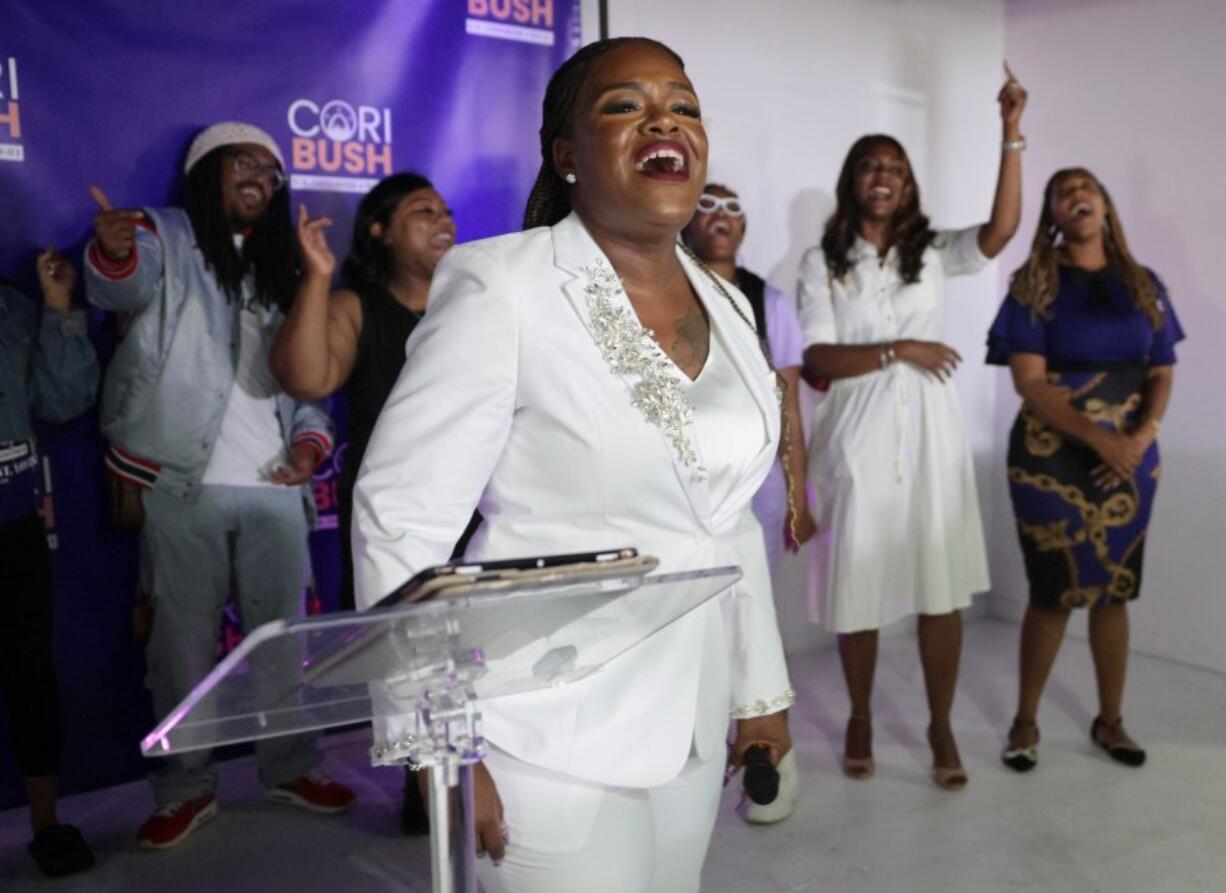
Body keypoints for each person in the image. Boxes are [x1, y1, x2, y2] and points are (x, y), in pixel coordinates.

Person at [353, 37, 792, 892]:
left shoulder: (730, 303)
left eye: (685, 104)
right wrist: (434, 740)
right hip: (542, 726)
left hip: (693, 716)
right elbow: (400, 516)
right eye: (625, 104)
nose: (665, 119)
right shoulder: (502, 285)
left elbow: (726, 512)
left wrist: (757, 687)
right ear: (567, 156)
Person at [83, 121, 355, 850]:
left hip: (275, 489)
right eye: (245, 165)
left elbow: (306, 378)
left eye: (272, 172)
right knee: (180, 651)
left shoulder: (284, 264)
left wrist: (307, 443)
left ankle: (291, 766)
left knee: (281, 643)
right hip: (180, 482)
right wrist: (111, 253)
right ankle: (183, 788)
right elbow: (121, 283)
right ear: (208, 171)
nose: (261, 180)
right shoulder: (162, 235)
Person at [797, 67, 1028, 789]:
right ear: (852, 181)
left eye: (895, 166)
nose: (884, 174)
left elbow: (1001, 231)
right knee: (856, 584)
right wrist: (901, 350)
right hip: (859, 440)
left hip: (930, 438)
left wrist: (1011, 133)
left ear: (909, 184)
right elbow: (816, 360)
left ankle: (939, 724)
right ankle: (861, 714)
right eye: (871, 164)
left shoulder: (931, 251)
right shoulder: (822, 261)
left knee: (941, 583)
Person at [269, 171, 462, 833]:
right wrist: (318, 276)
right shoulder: (359, 306)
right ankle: (428, 790)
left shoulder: (473, 305)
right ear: (378, 229)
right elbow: (305, 375)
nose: (442, 219)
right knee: (409, 663)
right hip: (398, 516)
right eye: (420, 210)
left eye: (445, 210)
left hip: (477, 504)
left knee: (480, 653)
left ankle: (478, 780)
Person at [988, 167, 1183, 772]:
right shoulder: (1035, 283)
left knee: (1114, 592)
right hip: (1053, 454)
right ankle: (1025, 721)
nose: (1078, 196)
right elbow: (1029, 381)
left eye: (1087, 187)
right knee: (1053, 592)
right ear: (1053, 214)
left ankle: (1111, 720)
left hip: (1129, 456)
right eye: (1063, 191)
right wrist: (1101, 439)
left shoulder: (1143, 283)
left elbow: (1161, 371)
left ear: (1104, 204)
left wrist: (1140, 436)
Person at [683, 182, 816, 823]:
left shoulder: (771, 300)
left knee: (751, 615)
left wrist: (799, 488)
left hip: (757, 486)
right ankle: (695, 752)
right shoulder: (660, 286)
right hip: (681, 485)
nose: (721, 218)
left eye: (734, 208)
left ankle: (765, 750)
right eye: (707, 206)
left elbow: (789, 402)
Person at [1, 251, 98, 877]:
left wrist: (60, 308)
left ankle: (45, 823)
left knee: (32, 675)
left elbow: (64, 400)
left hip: (13, 523)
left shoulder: (13, 306)